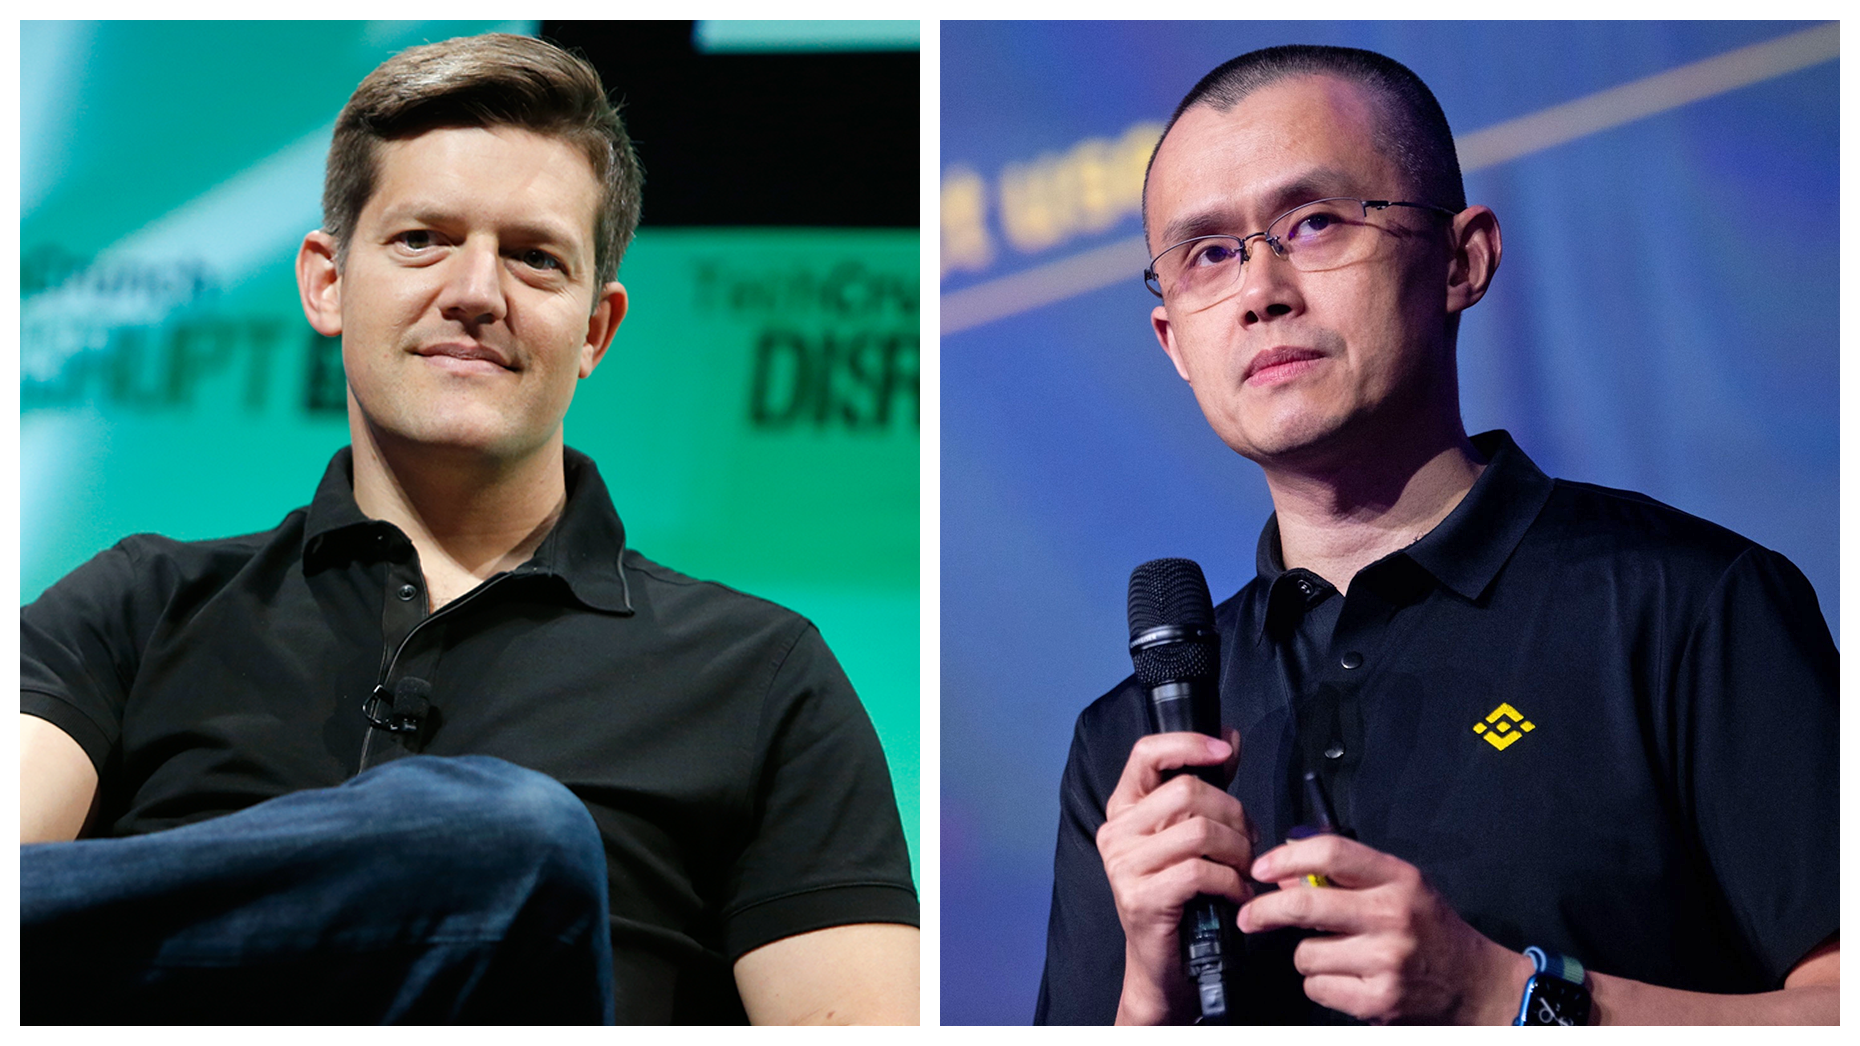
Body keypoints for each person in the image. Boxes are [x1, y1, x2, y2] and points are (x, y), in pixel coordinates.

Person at [21, 33, 918, 1025]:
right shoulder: (138, 607)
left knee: (503, 839)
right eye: (422, 240)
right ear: (327, 282)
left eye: (534, 257)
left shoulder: (763, 675)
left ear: (595, 330)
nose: (477, 292)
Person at [1034, 44, 1836, 1025]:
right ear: (1174, 343)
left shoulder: (1691, 604)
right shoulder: (1132, 740)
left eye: (1314, 221)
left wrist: (1509, 993)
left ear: (1463, 259)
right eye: (1207, 253)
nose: (1261, 288)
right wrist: (1149, 984)